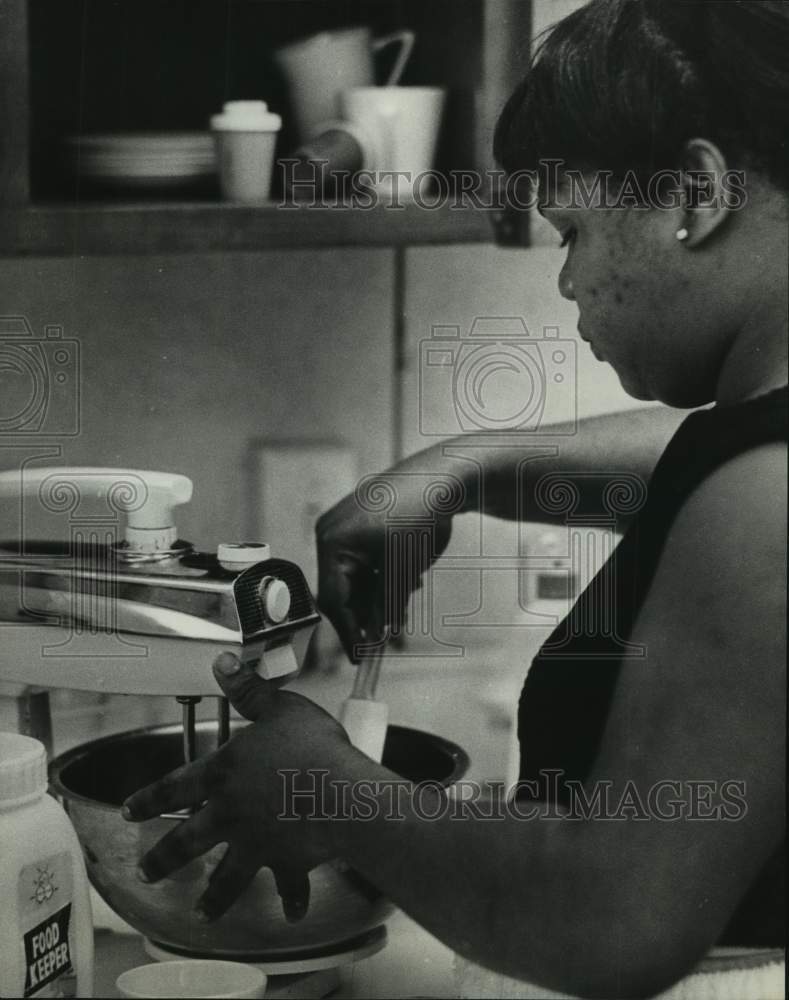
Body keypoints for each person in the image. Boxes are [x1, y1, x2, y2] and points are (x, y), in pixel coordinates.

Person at [122, 1, 787, 996]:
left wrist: (333, 791)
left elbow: (610, 922)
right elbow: (704, 461)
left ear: (694, 192)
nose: (566, 281)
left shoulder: (763, 501)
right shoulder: (753, 450)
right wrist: (465, 468)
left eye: (572, 229)